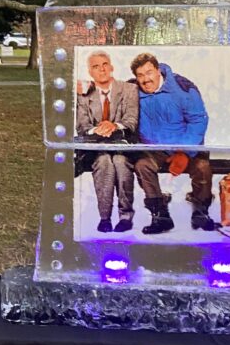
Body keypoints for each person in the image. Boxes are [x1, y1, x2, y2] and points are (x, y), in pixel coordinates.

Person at [130, 53, 216, 234]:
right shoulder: (132, 89)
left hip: (186, 147)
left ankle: (201, 211)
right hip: (155, 150)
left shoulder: (183, 87)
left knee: (202, 167)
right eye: (140, 75)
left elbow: (198, 121)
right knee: (142, 165)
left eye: (149, 72)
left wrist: (184, 152)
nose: (146, 79)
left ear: (158, 70)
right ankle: (160, 215)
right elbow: (109, 90)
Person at [76, 51, 139, 233]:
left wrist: (114, 125)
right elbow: (82, 126)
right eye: (95, 66)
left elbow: (131, 121)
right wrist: (99, 129)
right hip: (97, 148)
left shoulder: (128, 89)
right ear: (90, 72)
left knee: (120, 162)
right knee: (104, 163)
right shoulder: (84, 92)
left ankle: (126, 216)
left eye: (105, 64)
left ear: (111, 67)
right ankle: (105, 218)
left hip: (122, 145)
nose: (101, 69)